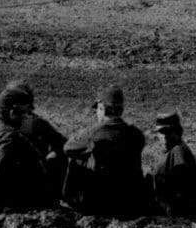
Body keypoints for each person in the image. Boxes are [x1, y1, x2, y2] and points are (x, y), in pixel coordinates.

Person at [62, 84, 149, 218]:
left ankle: (72, 203)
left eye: (98, 108)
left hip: (100, 203)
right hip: (131, 201)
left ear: (102, 108)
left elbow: (68, 148)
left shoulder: (94, 133)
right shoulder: (137, 134)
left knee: (76, 160)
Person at [148, 111, 196, 218]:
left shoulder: (178, 151)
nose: (164, 137)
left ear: (176, 132)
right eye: (161, 132)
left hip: (180, 215)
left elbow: (182, 191)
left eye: (168, 132)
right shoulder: (169, 152)